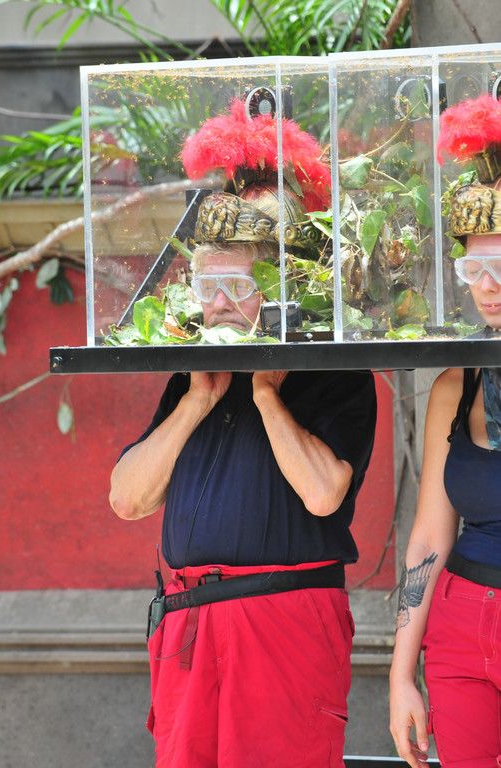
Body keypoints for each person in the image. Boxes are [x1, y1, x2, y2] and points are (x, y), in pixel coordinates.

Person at [109, 98, 377, 768]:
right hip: (189, 624)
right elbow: (126, 498)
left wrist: (265, 394)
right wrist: (197, 401)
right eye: (208, 286)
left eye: (236, 284)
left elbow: (323, 494)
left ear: (282, 283)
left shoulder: (336, 372)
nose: (219, 303)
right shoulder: (192, 378)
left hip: (283, 623)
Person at [389, 94, 501, 768]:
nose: (489, 287)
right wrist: (401, 675)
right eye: (474, 269)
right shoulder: (454, 387)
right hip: (460, 629)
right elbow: (430, 537)